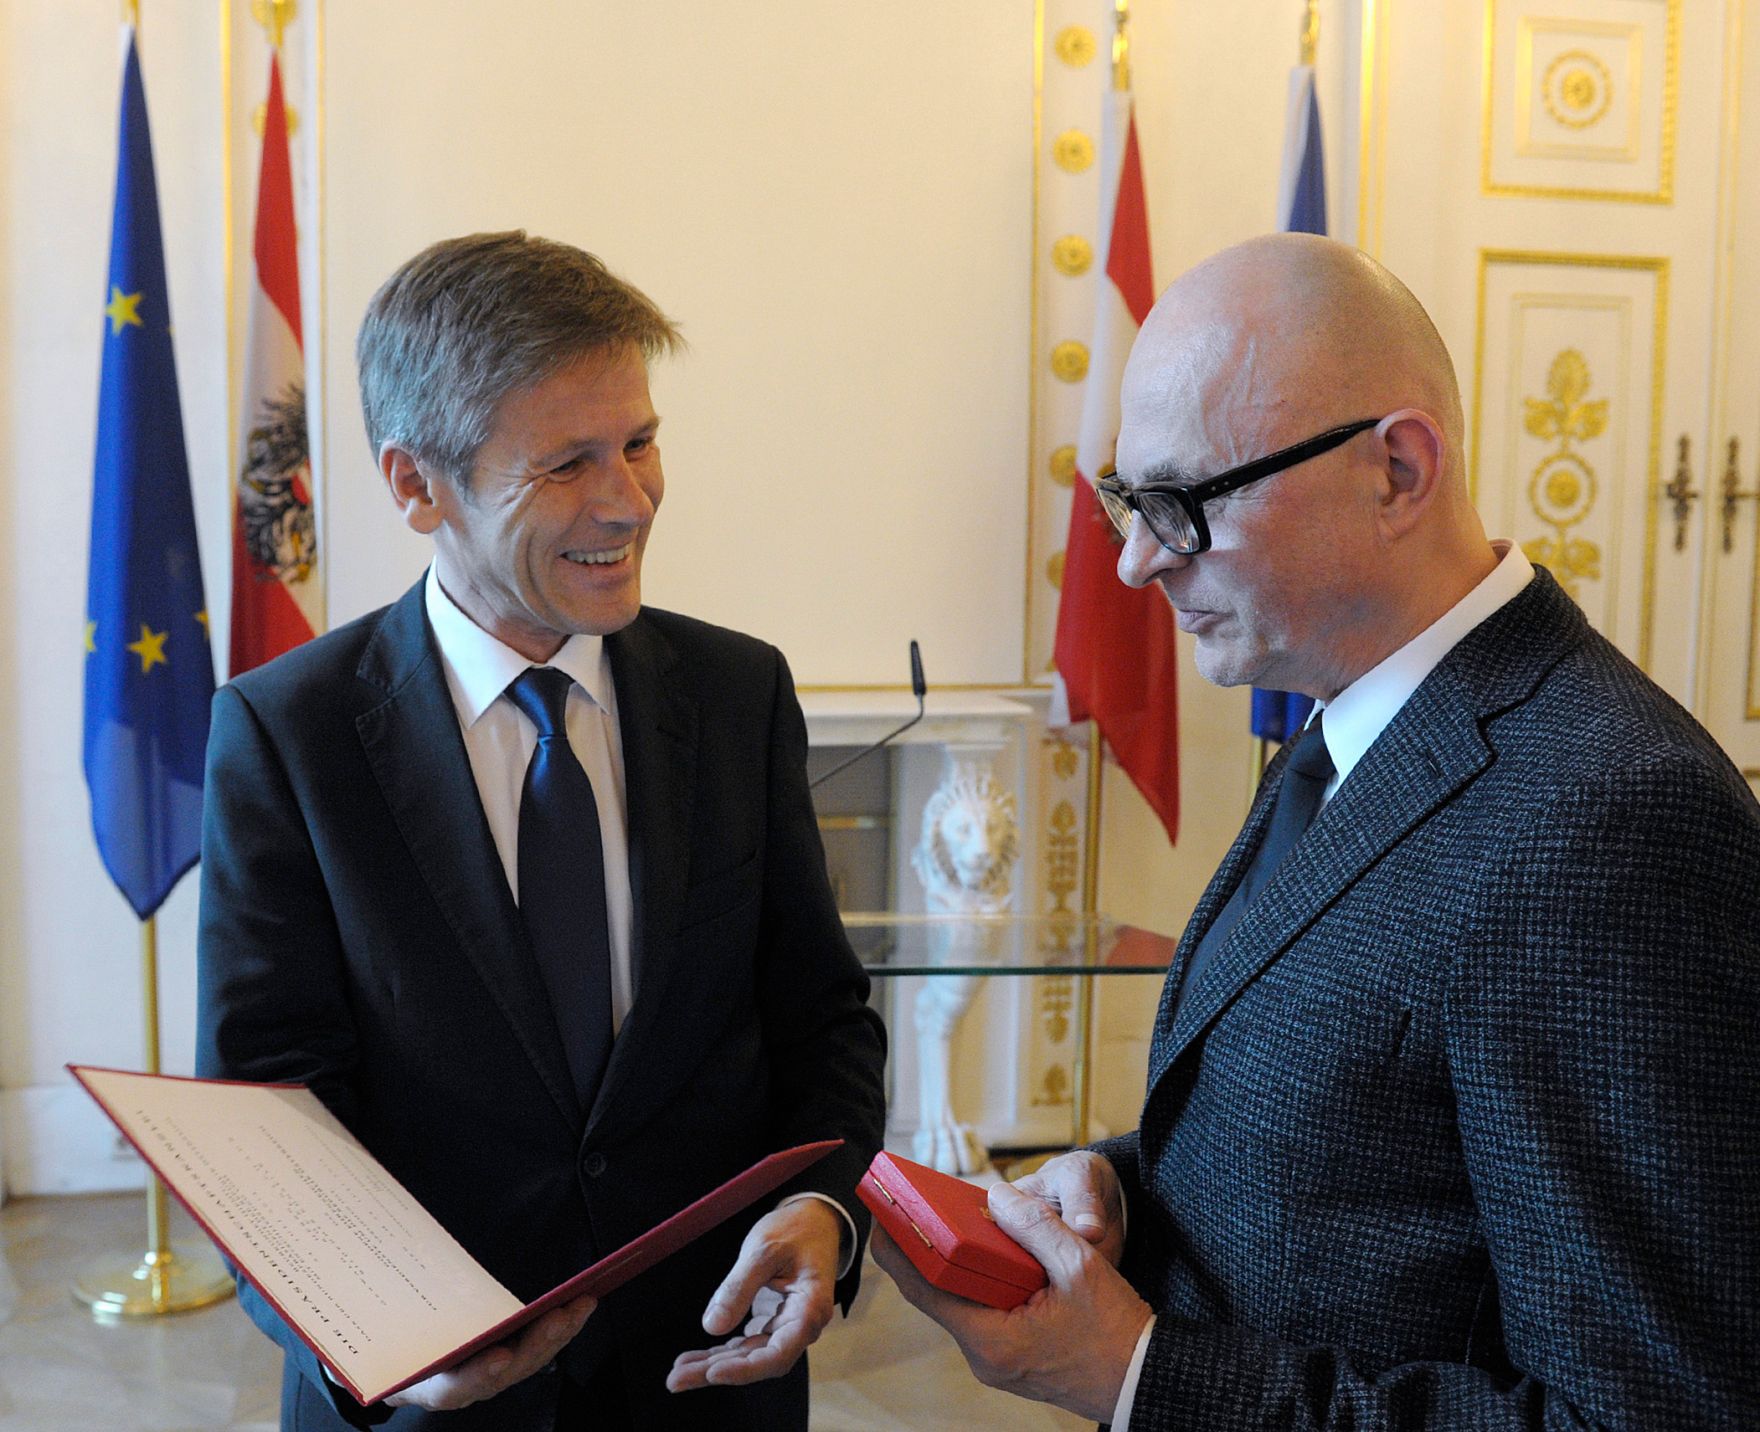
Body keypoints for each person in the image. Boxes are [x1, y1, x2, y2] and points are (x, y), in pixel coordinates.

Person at [873, 232, 1760, 1428]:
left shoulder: (1609, 819)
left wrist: (1137, 1373)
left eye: (1181, 504)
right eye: (1127, 501)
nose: (1135, 561)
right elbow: (1363, 1159)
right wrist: (1123, 1190)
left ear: (1396, 470)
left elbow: (1650, 1410)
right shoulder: (1347, 719)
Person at [196, 231, 887, 1430]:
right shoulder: (286, 732)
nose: (626, 501)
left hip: (708, 1375)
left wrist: (826, 1209)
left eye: (639, 442)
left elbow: (818, 1017)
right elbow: (267, 1116)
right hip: (432, 1406)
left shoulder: (737, 695)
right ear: (416, 485)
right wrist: (372, 1347)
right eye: (566, 464)